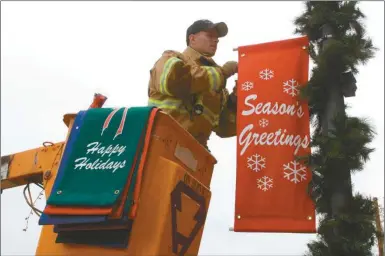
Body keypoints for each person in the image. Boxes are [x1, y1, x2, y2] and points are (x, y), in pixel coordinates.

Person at [147, 19, 238, 151]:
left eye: (217, 38)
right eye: (210, 35)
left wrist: (236, 98)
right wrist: (223, 73)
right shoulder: (171, 58)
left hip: (196, 155)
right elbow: (175, 80)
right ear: (192, 38)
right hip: (161, 144)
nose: (216, 40)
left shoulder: (218, 86)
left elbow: (224, 129)